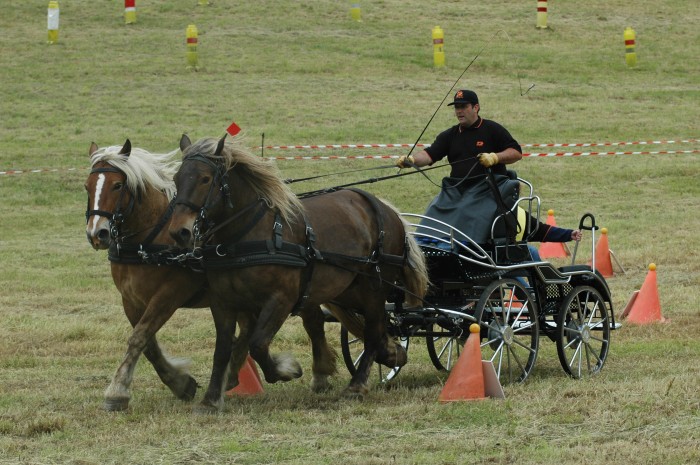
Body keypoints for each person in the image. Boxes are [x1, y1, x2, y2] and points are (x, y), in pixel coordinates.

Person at [396, 89, 522, 178]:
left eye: (463, 106)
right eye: (457, 107)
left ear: (476, 107)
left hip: (489, 189)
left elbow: (516, 153)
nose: (459, 111)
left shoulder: (493, 129)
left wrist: (495, 158)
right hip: (456, 190)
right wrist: (411, 160)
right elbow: (429, 155)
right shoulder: (449, 135)